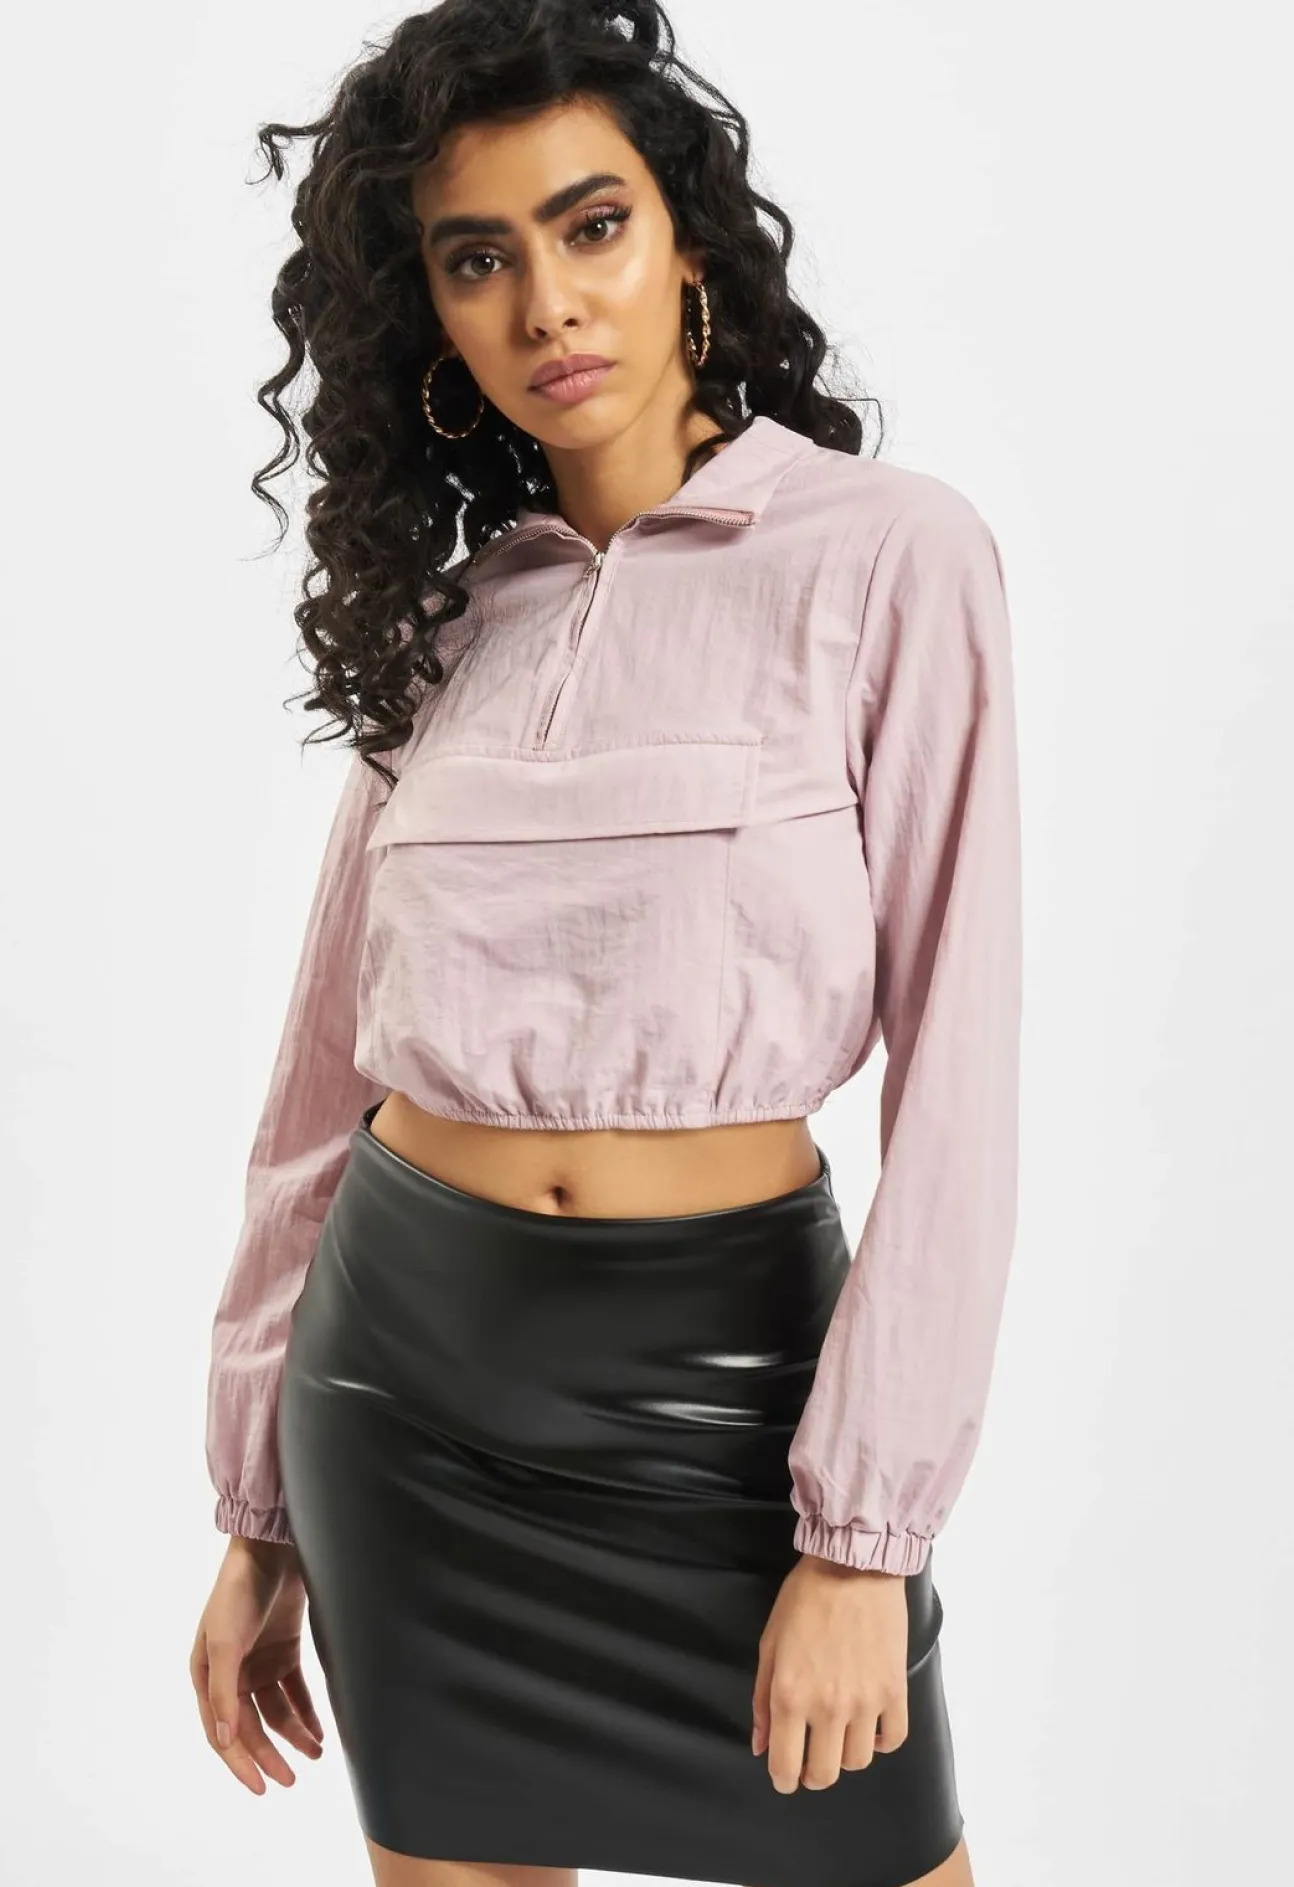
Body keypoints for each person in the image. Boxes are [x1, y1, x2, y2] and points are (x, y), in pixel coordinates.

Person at [187, 5, 1022, 1886]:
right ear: (431, 316)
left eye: (591, 226)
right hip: (400, 1397)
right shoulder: (445, 625)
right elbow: (317, 1090)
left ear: (689, 241)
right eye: (477, 259)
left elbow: (960, 1086)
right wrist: (253, 1498)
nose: (547, 304)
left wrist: (862, 1540)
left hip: (732, 1403)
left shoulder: (887, 555)